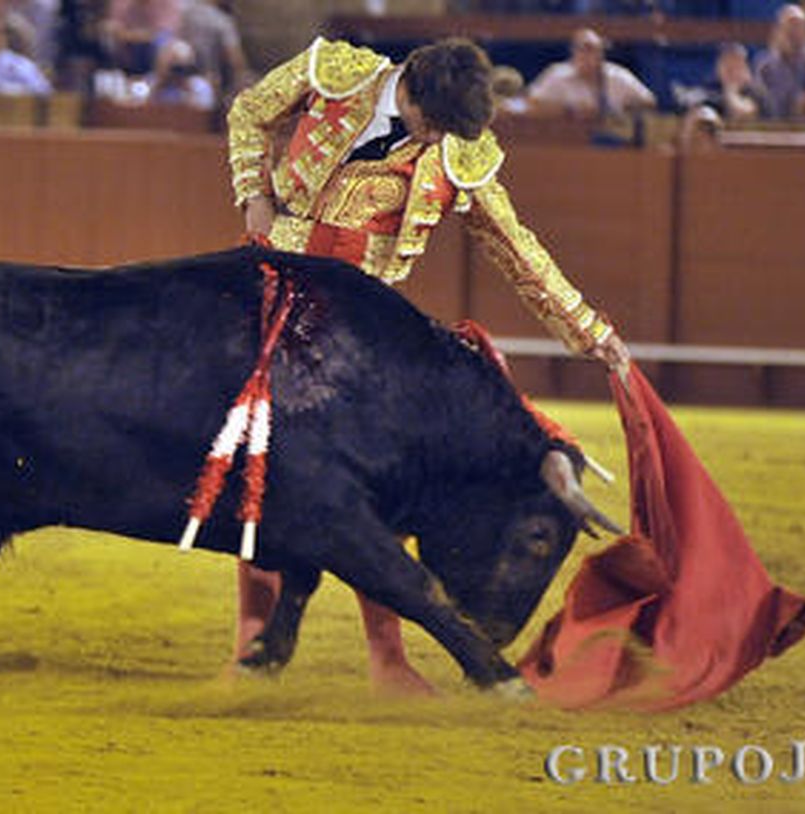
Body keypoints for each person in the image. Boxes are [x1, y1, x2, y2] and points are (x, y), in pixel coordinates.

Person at [226, 36, 631, 693]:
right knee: (260, 467)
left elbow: (515, 249)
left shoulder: (457, 150)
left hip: (369, 330)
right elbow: (250, 111)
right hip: (277, 291)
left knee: (380, 492)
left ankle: (387, 658)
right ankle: (252, 635)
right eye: (430, 125)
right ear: (408, 90)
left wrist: (592, 333)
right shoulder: (337, 74)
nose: (437, 141)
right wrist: (254, 193)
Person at [524, 27, 656, 118]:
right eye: (582, 49)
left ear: (602, 53)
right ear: (573, 51)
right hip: (566, 140)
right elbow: (532, 103)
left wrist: (620, 111)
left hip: (612, 143)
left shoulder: (618, 76)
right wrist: (569, 110)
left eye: (592, 49)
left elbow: (649, 102)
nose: (586, 55)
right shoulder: (557, 74)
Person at [752, 4, 805, 118]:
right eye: (790, 26)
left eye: (798, 26)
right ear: (779, 30)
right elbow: (759, 98)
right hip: (772, 125)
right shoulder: (765, 64)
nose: (793, 32)